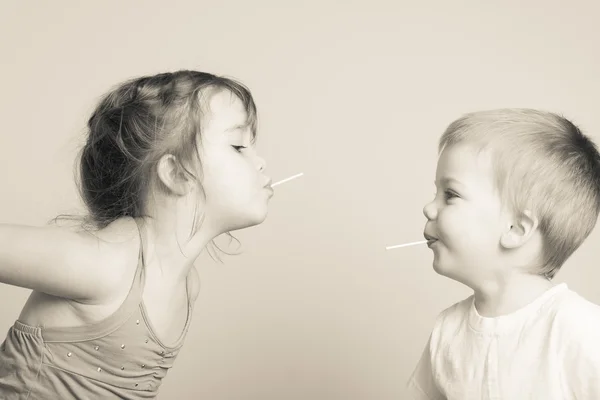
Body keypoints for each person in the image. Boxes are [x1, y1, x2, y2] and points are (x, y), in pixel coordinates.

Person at [0, 70, 274, 399]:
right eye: (239, 146)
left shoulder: (187, 285)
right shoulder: (109, 261)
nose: (260, 162)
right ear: (176, 173)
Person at [407, 109, 600, 399]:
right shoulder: (448, 332)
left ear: (516, 229)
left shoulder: (580, 331)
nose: (429, 208)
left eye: (450, 194)